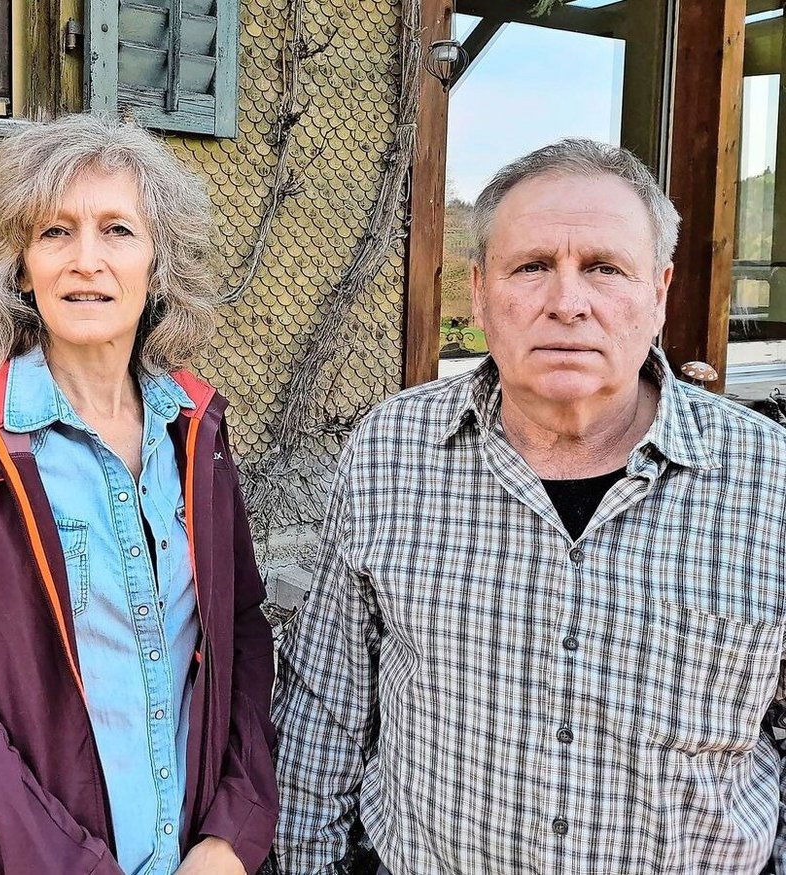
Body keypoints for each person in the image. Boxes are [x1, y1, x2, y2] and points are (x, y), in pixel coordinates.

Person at [272, 137, 786, 874]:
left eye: (604, 268)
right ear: (480, 292)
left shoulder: (769, 479)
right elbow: (325, 711)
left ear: (659, 293)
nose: (567, 303)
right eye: (533, 266)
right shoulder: (391, 451)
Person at [0, 114, 279, 875]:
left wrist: (231, 832)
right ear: (21, 265)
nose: (85, 261)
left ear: (158, 261)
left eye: (118, 231)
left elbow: (241, 634)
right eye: (55, 232)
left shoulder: (196, 428)